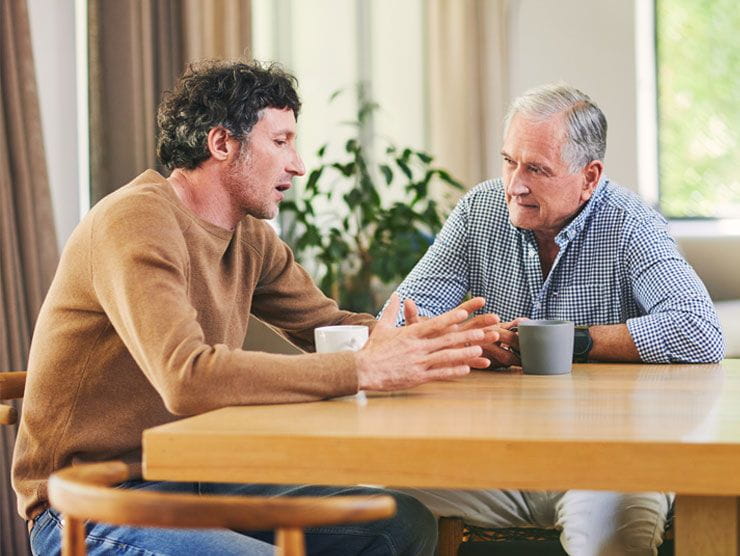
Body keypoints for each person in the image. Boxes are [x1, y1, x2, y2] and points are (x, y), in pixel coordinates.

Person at [12, 60, 500, 556]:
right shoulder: (135, 220)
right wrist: (361, 369)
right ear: (222, 143)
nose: (299, 164)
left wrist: (440, 342)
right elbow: (188, 378)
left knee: (401, 523)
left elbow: (328, 326)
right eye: (281, 141)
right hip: (89, 504)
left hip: (194, 478)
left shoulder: (250, 238)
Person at [389, 83, 725, 555]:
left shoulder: (631, 223)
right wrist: (462, 337)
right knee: (364, 501)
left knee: (610, 539)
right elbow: (399, 319)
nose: (515, 184)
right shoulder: (479, 212)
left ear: (590, 177)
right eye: (509, 161)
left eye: (536, 169)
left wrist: (570, 341)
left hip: (611, 459)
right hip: (494, 457)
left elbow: (698, 328)